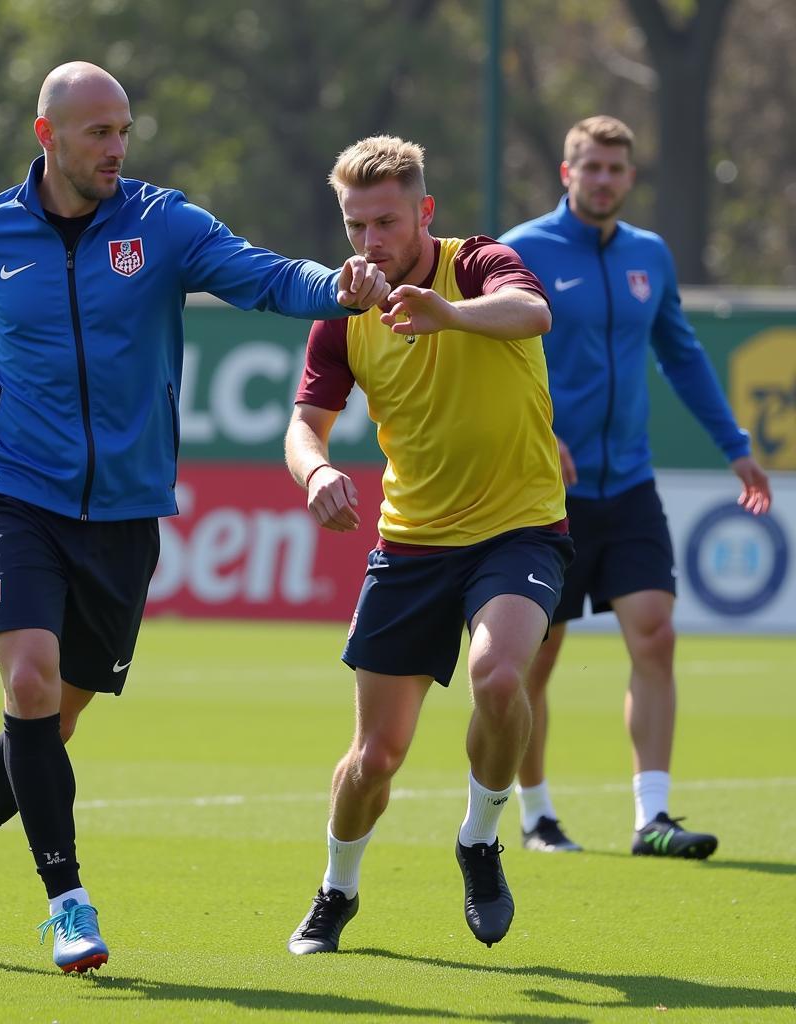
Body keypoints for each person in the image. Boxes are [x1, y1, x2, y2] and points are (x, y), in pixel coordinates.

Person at [0, 62, 389, 974]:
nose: (116, 147)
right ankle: (68, 904)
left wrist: (333, 287)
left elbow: (263, 276)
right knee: (27, 686)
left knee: (49, 728)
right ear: (47, 134)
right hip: (15, 493)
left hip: (127, 514)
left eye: (124, 130)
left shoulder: (164, 223)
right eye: (98, 131)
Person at [283, 135, 573, 956]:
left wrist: (447, 312)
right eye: (355, 226)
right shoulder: (341, 313)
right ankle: (337, 889)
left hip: (518, 526)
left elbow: (533, 313)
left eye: (386, 222)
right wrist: (314, 475)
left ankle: (481, 838)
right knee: (375, 758)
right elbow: (305, 426)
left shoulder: (479, 264)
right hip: (410, 545)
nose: (371, 243)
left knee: (499, 672)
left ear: (425, 213)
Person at [499, 115, 771, 857]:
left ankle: (652, 817)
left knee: (655, 633)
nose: (604, 180)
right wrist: (538, 433)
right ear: (566, 173)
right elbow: (486, 359)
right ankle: (535, 814)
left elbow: (681, 355)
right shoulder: (522, 250)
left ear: (630, 177)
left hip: (630, 485)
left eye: (617, 169)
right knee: (539, 656)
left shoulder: (650, 255)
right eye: (591, 167)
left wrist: (735, 447)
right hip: (544, 491)